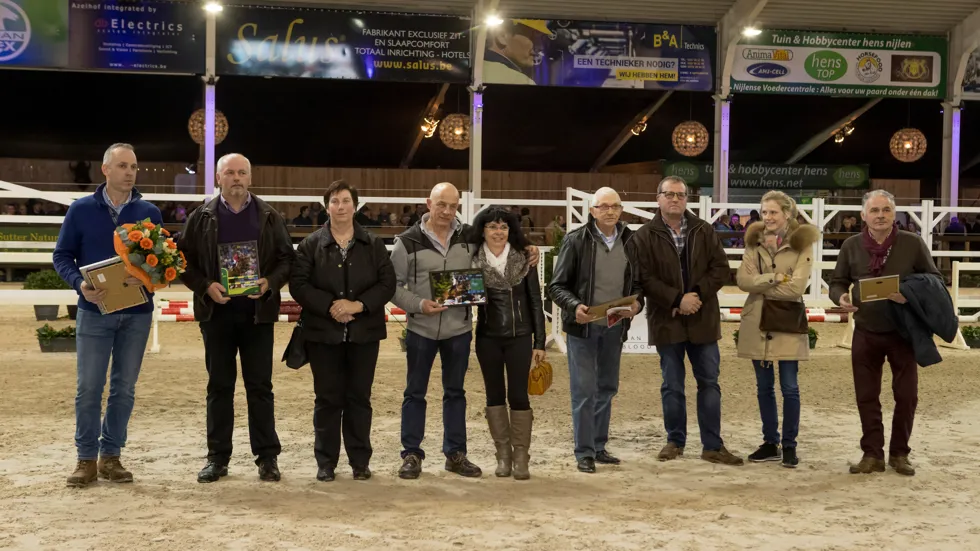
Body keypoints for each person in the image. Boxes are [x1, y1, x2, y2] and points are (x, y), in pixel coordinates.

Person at [389, 183, 539, 479]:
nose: (447, 211)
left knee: (455, 393)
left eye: (453, 206)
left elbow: (502, 243)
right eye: (441, 204)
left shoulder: (470, 237)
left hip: (458, 330)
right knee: (414, 393)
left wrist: (528, 247)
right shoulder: (406, 242)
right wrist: (418, 304)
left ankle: (456, 454)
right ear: (428, 203)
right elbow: (392, 286)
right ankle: (411, 454)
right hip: (420, 328)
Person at [179, 153, 295, 483]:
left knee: (260, 387)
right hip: (216, 314)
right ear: (218, 179)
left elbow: (287, 259)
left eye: (242, 172)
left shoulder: (270, 216)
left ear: (250, 178)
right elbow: (182, 259)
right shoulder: (200, 217)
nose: (236, 178)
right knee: (219, 387)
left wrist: (270, 282)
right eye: (229, 173)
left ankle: (267, 457)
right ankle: (217, 457)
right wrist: (205, 286)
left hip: (258, 316)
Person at [53, 143, 162, 487]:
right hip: (94, 311)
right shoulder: (81, 210)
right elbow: (62, 256)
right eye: (123, 166)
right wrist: (79, 286)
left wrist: (145, 276)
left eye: (134, 167)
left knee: (124, 389)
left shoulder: (150, 213)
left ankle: (110, 456)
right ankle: (85, 458)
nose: (130, 172)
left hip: (137, 314)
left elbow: (163, 266)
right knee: (88, 388)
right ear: (106, 170)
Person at [631, 176, 743, 466]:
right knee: (672, 384)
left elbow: (720, 269)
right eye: (669, 194)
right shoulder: (644, 236)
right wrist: (676, 299)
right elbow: (643, 278)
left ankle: (712, 445)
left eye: (680, 195)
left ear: (686, 199)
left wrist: (695, 296)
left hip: (702, 318)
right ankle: (675, 441)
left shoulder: (704, 231)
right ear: (658, 199)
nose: (675, 199)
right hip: (666, 320)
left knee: (709, 382)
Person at [830, 190, 943, 476]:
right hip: (865, 331)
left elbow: (935, 280)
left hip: (903, 332)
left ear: (894, 214)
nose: (880, 215)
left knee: (906, 396)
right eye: (875, 210)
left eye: (886, 210)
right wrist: (841, 297)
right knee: (866, 395)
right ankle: (872, 454)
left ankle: (899, 454)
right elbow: (837, 281)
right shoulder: (851, 246)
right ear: (863, 216)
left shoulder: (912, 244)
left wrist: (909, 294)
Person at [290, 180, 395, 482]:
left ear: (355, 206)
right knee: (327, 399)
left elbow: (387, 284)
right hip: (323, 335)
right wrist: (332, 306)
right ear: (327, 207)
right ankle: (326, 462)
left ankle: (360, 461)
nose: (340, 206)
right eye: (334, 201)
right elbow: (299, 284)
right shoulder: (311, 244)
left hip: (365, 335)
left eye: (346, 200)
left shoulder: (373, 244)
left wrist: (358, 305)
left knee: (359, 399)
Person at [548, 187, 642, 474]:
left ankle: (599, 446)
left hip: (615, 327)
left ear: (621, 209)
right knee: (584, 390)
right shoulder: (576, 241)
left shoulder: (632, 241)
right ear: (592, 211)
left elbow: (639, 283)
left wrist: (637, 304)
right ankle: (584, 451)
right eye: (603, 207)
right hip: (583, 329)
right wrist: (574, 306)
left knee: (607, 387)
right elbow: (556, 286)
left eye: (615, 206)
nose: (610, 211)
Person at [735, 191, 820, 468]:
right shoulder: (753, 242)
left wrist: (762, 284)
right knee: (763, 388)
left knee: (790, 387)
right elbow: (743, 281)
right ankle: (770, 442)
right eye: (765, 212)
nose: (768, 217)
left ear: (787, 214)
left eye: (773, 212)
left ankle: (790, 445)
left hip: (786, 322)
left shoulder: (803, 243)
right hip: (757, 322)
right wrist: (774, 277)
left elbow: (797, 287)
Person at [470, 206, 546, 480]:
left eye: (503, 226)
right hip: (487, 338)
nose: (498, 232)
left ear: (510, 230)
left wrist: (540, 341)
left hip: (521, 338)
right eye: (492, 226)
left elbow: (536, 301)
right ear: (482, 230)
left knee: (518, 396)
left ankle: (521, 456)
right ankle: (503, 455)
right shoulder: (472, 259)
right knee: (493, 395)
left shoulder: (525, 258)